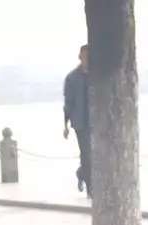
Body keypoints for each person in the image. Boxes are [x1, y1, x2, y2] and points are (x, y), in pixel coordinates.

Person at [63, 44, 91, 198]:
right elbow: (68, 103)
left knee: (96, 155)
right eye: (85, 56)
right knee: (86, 154)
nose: (87, 59)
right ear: (80, 57)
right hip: (81, 123)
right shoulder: (72, 78)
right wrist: (65, 125)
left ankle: (81, 173)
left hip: (97, 122)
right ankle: (91, 189)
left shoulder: (97, 75)